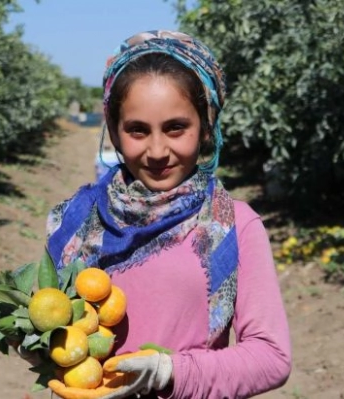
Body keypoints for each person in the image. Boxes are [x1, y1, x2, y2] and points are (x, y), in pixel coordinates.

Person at [39, 30, 292, 399]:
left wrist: (169, 371)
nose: (157, 151)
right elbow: (55, 334)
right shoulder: (75, 224)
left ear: (206, 126)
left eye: (176, 128)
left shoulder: (234, 226)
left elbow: (271, 357)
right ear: (113, 129)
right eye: (137, 131)